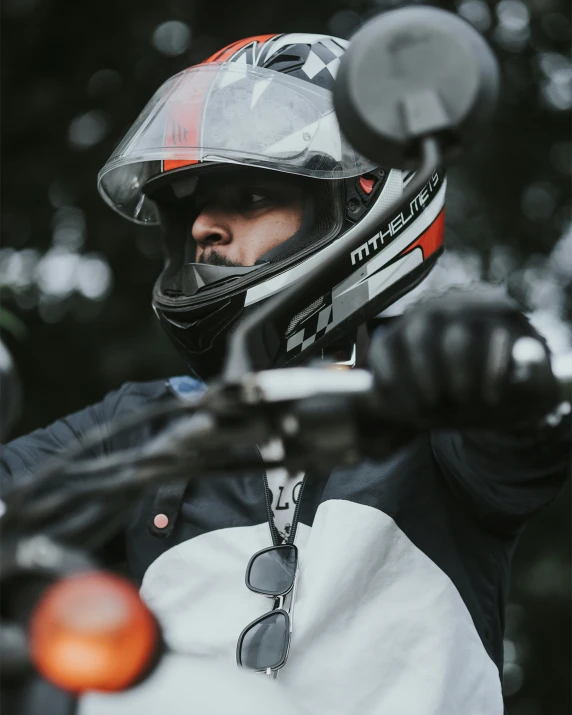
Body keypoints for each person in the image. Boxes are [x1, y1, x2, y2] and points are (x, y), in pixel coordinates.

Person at [1, 33, 570, 715]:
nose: (204, 226)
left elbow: (522, 437)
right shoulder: (143, 422)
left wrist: (490, 360)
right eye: (187, 208)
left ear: (356, 203)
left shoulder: (431, 395)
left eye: (249, 195)